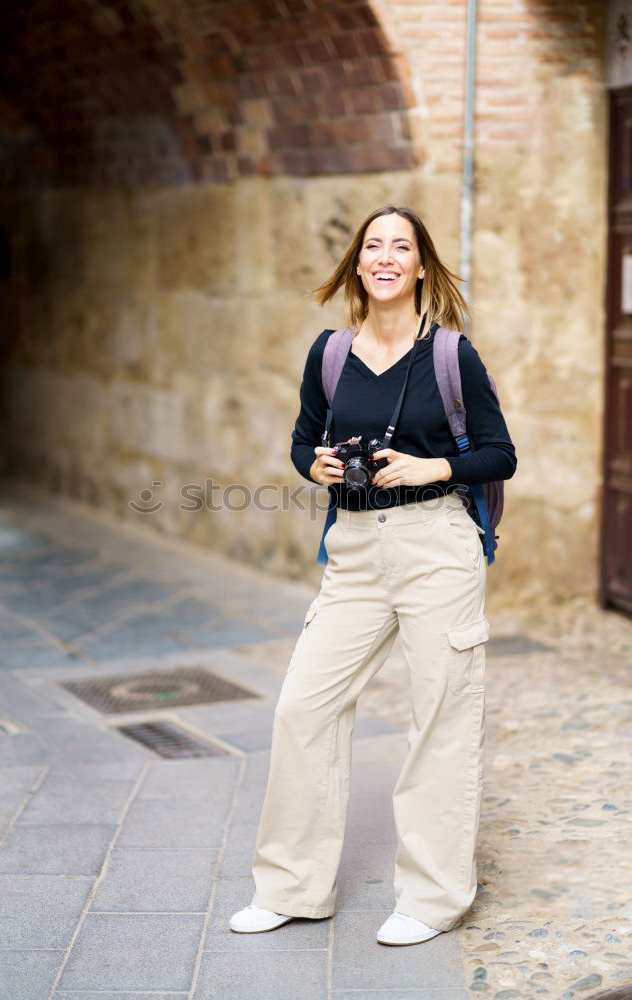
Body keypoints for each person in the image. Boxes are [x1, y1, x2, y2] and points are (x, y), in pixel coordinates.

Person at [229, 204, 517, 945]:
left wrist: (433, 464)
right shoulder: (329, 353)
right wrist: (315, 464)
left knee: (439, 719)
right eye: (373, 246)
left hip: (437, 547)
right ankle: (292, 885)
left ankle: (432, 897)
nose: (386, 256)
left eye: (402, 246)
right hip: (354, 549)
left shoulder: (453, 356)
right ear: (357, 264)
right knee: (304, 707)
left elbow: (499, 453)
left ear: (421, 266)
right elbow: (301, 440)